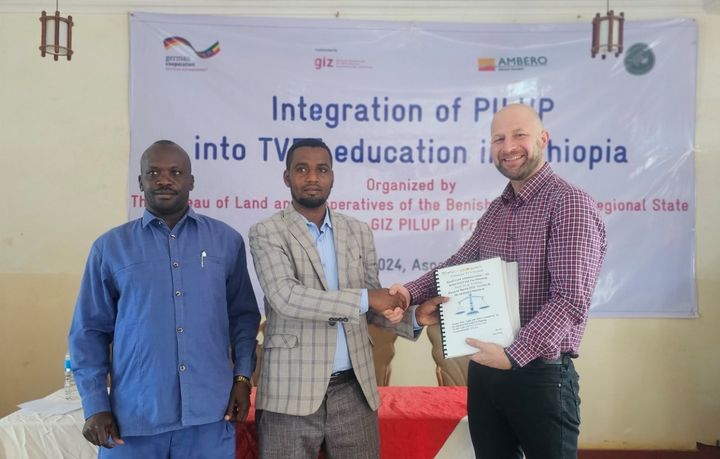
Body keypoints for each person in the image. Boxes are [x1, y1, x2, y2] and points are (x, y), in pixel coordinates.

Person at [393, 104, 607, 458]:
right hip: (486, 371)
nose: (509, 146)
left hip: (540, 375)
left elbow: (571, 300)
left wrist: (514, 355)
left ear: (543, 139)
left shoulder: (569, 204)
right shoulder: (498, 208)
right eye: (498, 138)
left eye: (519, 135)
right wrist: (408, 293)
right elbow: (458, 265)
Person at [248, 138, 442, 459]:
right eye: (302, 169)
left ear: (332, 176)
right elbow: (287, 297)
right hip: (290, 393)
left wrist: (413, 318)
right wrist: (368, 298)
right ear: (287, 177)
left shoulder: (358, 231)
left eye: (321, 169)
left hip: (354, 391)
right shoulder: (267, 232)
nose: (312, 177)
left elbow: (371, 309)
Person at [68, 140, 260, 458]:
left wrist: (242, 377)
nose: (164, 179)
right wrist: (95, 404)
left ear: (191, 181)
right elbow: (88, 332)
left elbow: (243, 316)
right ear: (141, 181)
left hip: (209, 417)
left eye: (175, 172)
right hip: (134, 420)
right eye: (154, 172)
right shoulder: (110, 248)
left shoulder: (225, 241)